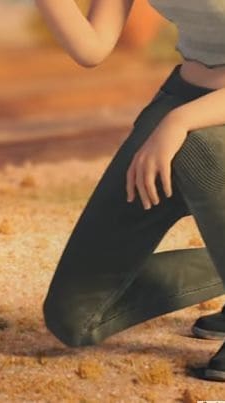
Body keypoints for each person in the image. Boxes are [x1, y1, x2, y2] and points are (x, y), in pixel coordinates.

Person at [36, 0, 225, 382]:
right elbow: (92, 47)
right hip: (182, 95)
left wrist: (178, 122)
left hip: (194, 116)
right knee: (74, 317)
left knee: (194, 148)